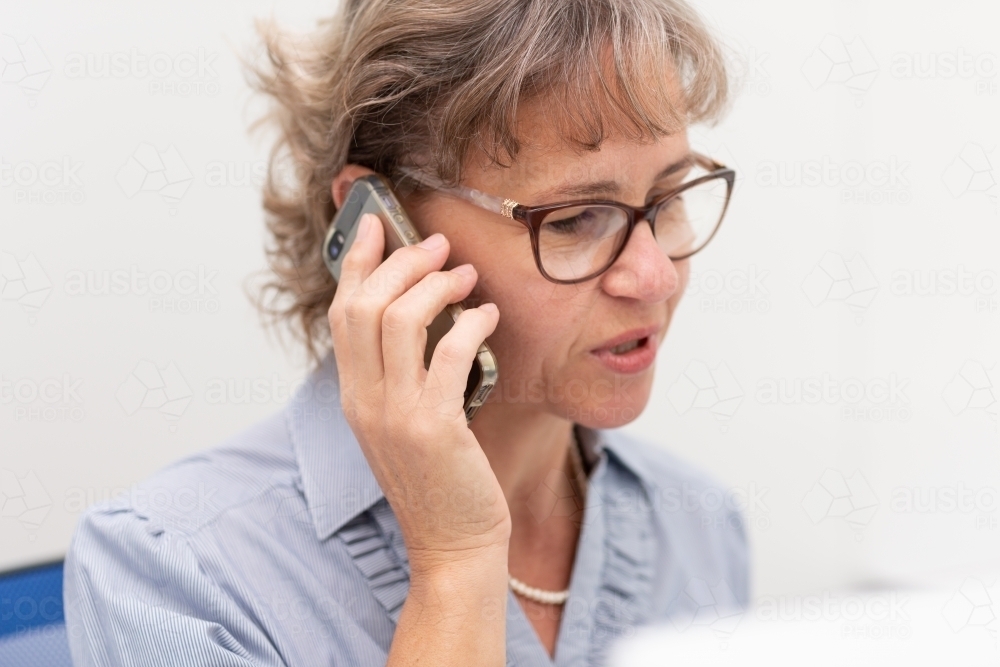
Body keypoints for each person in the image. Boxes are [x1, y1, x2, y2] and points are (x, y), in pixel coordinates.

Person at [64, 0, 748, 664]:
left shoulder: (697, 524)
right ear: (382, 227)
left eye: (669, 199)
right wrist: (455, 564)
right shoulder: (172, 573)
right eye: (573, 220)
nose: (655, 277)